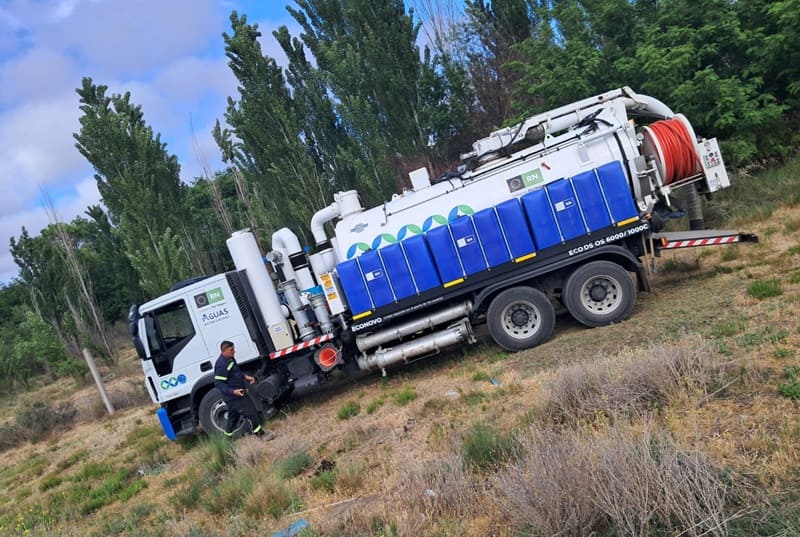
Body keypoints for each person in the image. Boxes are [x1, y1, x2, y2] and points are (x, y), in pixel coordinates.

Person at [213, 340, 275, 440]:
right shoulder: (221, 365)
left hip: (238, 394)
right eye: (231, 350)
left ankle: (227, 440)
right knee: (251, 413)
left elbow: (236, 372)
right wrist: (233, 391)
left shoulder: (230, 359)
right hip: (233, 397)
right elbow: (219, 383)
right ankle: (261, 435)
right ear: (224, 350)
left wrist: (246, 377)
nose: (234, 351)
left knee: (233, 418)